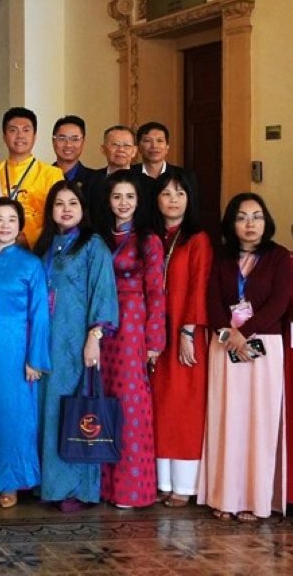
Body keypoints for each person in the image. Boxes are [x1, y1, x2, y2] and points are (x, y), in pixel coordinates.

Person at [199, 193, 293, 522]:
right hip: (225, 347)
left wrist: (245, 334)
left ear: (266, 221)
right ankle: (225, 499)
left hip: (264, 348)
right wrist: (229, 336)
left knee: (259, 425)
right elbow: (211, 302)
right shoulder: (221, 258)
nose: (250, 224)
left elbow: (280, 303)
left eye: (257, 216)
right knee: (228, 422)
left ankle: (256, 501)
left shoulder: (280, 257)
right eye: (242, 217)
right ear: (231, 223)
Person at [33, 179, 118, 513]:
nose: (65, 209)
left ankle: (75, 488)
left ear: (83, 210)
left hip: (75, 342)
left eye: (72, 203)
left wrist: (94, 337)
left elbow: (104, 292)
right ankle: (47, 484)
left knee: (74, 410)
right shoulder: (47, 244)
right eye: (59, 204)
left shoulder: (93, 245)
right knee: (46, 411)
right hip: (45, 341)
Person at [96, 170, 166, 509]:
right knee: (102, 398)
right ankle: (102, 487)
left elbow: (156, 291)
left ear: (139, 202)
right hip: (101, 323)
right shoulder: (99, 238)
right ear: (108, 201)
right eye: (117, 197)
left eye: (129, 197)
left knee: (130, 402)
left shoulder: (148, 240)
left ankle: (130, 489)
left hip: (133, 324)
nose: (123, 204)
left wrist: (154, 339)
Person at [0, 197, 50, 510]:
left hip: (17, 349)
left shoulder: (31, 263)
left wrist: (35, 358)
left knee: (15, 416)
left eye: (11, 219)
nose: (4, 225)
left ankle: (12, 482)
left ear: (20, 226)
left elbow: (41, 314)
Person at [150, 169, 212, 508]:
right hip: (153, 334)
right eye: (166, 194)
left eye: (180, 193)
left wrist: (189, 330)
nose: (173, 200)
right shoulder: (151, 237)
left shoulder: (197, 239)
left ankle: (185, 485)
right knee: (158, 406)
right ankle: (162, 480)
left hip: (184, 335)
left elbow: (199, 287)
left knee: (183, 407)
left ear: (190, 200)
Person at [0, 108, 63, 247]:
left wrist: (28, 237)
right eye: (13, 130)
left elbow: (58, 216)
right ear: (4, 136)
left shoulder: (52, 174)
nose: (20, 135)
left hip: (39, 248)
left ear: (35, 136)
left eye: (26, 130)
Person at [85, 125, 138, 222]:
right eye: (115, 145)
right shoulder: (90, 181)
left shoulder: (146, 183)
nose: (121, 150)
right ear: (103, 149)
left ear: (134, 151)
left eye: (127, 146)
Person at [132, 121, 199, 191]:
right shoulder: (128, 174)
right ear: (139, 147)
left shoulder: (186, 177)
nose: (154, 146)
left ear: (167, 147)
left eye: (160, 140)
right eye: (147, 141)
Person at [51, 115, 99, 203]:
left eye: (75, 139)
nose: (68, 144)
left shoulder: (96, 181)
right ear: (53, 141)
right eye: (62, 138)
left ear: (83, 142)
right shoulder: (42, 177)